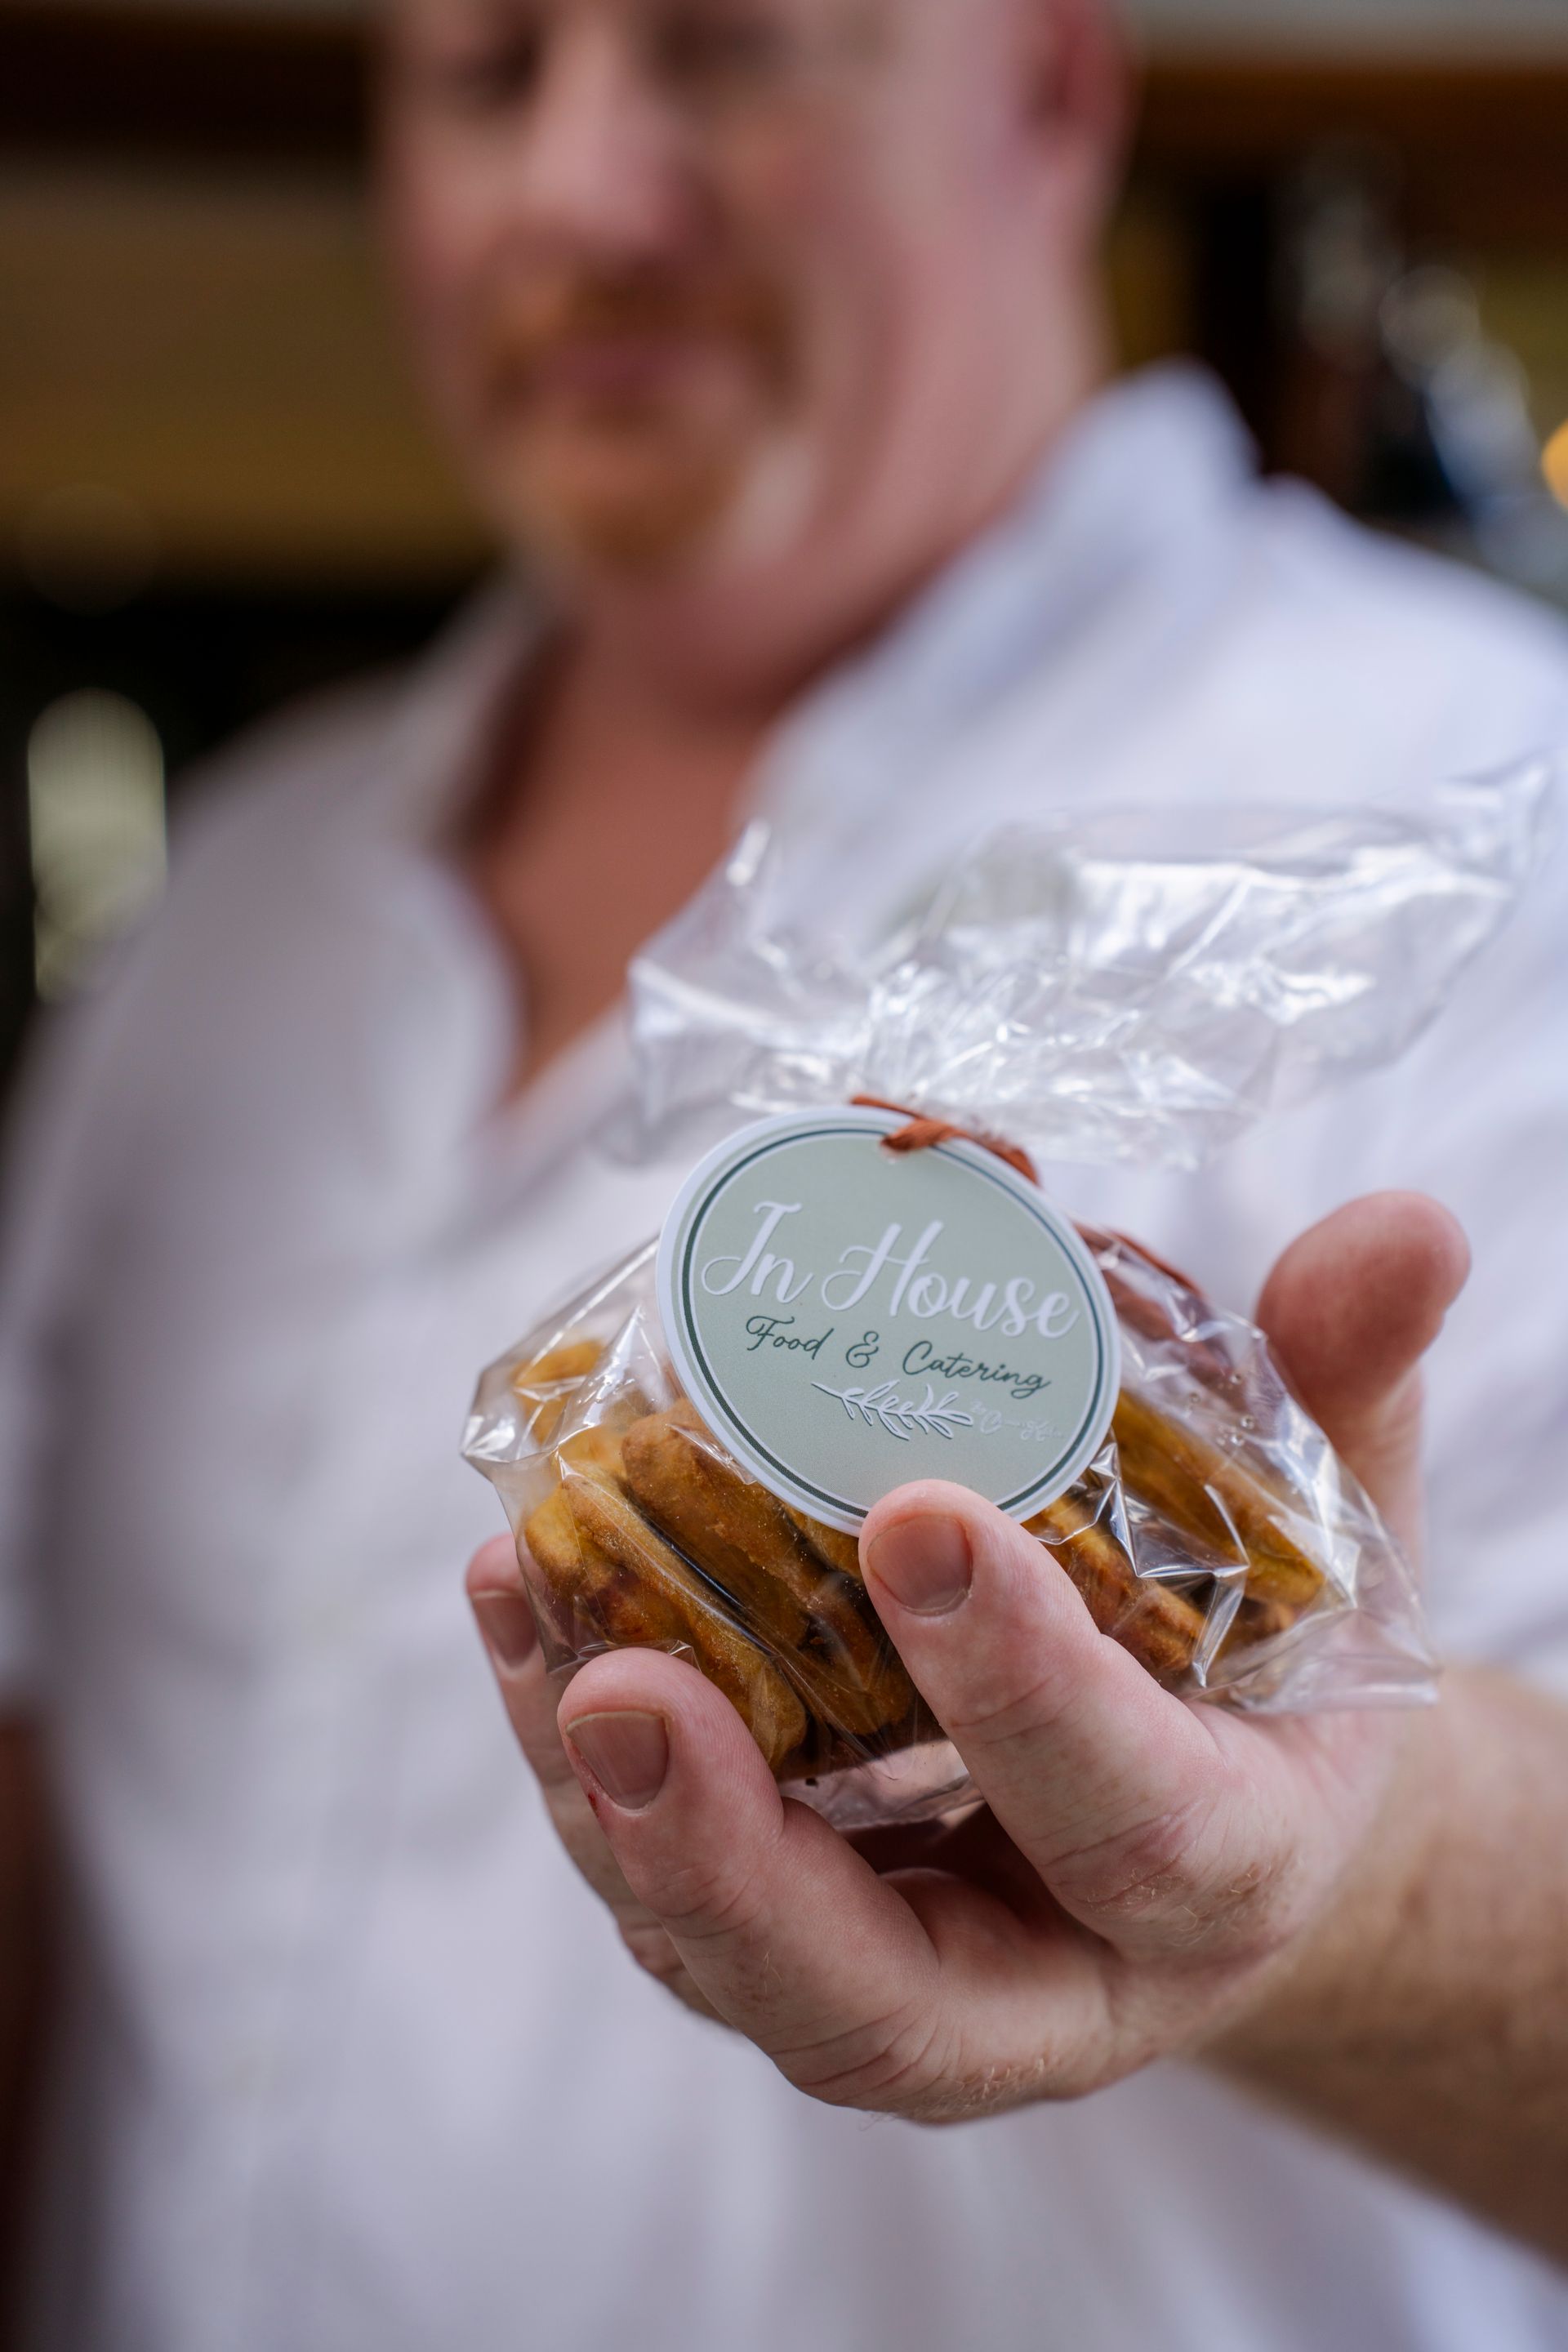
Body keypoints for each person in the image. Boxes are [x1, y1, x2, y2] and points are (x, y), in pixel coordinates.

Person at [2, 0, 1566, 2345]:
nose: (578, 190)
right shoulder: (226, 915)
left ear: (1050, 86)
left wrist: (1322, 1874)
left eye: (727, 45)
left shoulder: (1486, 817)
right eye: (485, 72)